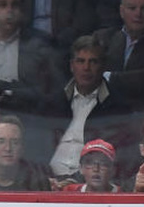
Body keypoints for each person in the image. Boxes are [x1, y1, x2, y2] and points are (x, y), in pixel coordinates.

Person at [41, 35, 138, 186]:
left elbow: (115, 161)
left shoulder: (117, 107)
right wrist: (43, 180)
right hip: (47, 183)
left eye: (93, 62)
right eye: (81, 61)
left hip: (88, 187)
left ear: (103, 66)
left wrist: (72, 183)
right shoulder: (54, 102)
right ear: (72, 66)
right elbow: (37, 148)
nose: (86, 68)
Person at [0, 0, 65, 115]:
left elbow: (52, 92)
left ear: (22, 10)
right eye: (2, 5)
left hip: (25, 113)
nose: (9, 11)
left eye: (15, 5)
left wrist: (10, 95)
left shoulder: (40, 45)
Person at [93, 0, 144, 110]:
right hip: (102, 110)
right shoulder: (103, 37)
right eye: (132, 8)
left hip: (141, 112)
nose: (138, 14)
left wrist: (109, 77)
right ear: (122, 11)